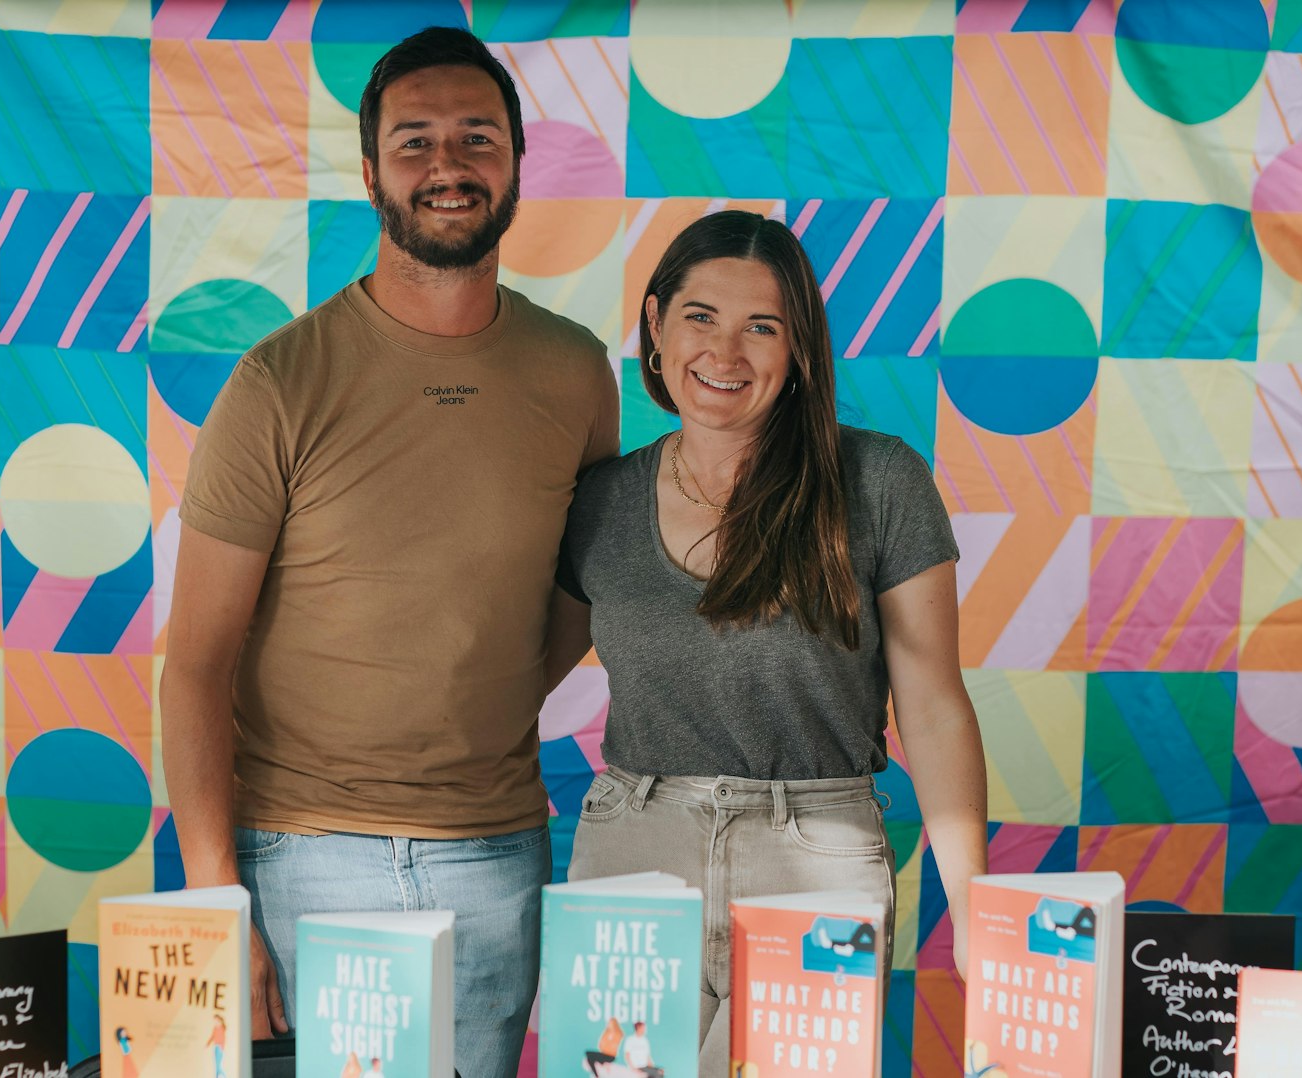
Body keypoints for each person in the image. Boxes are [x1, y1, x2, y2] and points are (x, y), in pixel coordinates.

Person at [160, 24, 620, 1078]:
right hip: (300, 855)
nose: (447, 165)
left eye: (476, 137)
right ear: (370, 172)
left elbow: (575, 592)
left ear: (514, 162)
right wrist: (211, 893)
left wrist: (474, 691)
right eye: (415, 142)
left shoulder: (575, 374)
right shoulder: (279, 383)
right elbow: (196, 662)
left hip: (498, 851)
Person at [547, 211, 988, 1074]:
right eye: (701, 316)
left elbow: (933, 708)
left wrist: (972, 901)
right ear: (656, 326)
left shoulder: (879, 480)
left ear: (799, 352)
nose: (725, 351)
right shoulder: (599, 503)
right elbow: (516, 677)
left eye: (763, 327)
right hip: (634, 852)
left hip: (816, 857)